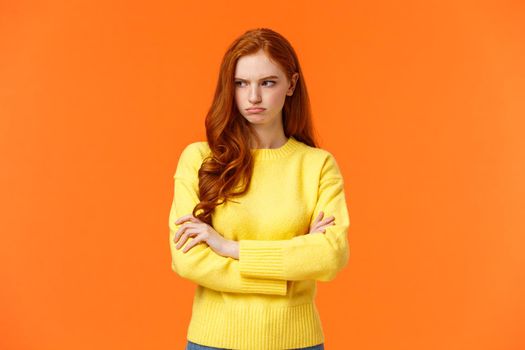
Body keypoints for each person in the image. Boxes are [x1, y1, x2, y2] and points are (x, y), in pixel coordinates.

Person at [168, 27, 351, 350]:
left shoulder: (317, 165)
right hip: (214, 341)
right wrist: (291, 263)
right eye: (241, 84)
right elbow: (188, 261)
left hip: (297, 342)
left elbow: (330, 256)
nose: (253, 97)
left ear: (291, 84)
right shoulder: (199, 159)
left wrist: (229, 248)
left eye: (267, 83)